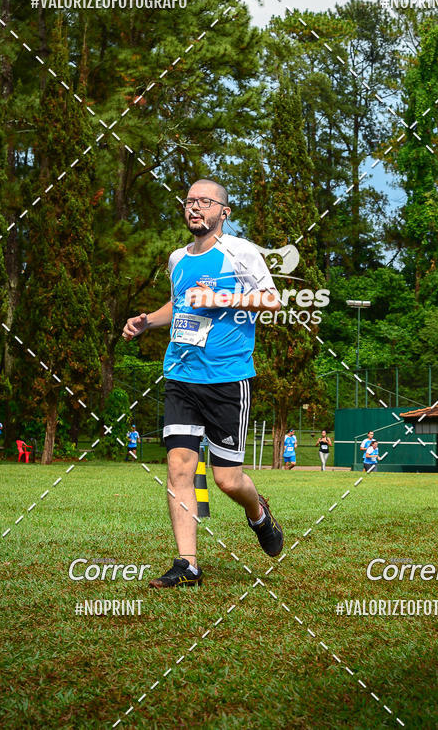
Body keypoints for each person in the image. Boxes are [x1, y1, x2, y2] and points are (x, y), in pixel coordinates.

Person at [122, 179, 284, 588]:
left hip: (227, 378)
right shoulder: (178, 258)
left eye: (205, 202)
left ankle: (258, 512)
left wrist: (221, 299)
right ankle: (187, 564)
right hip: (180, 373)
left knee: (227, 479)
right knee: (179, 466)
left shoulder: (241, 252)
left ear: (223, 212)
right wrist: (147, 322)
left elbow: (272, 300)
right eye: (190, 202)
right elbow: (177, 305)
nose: (195, 208)